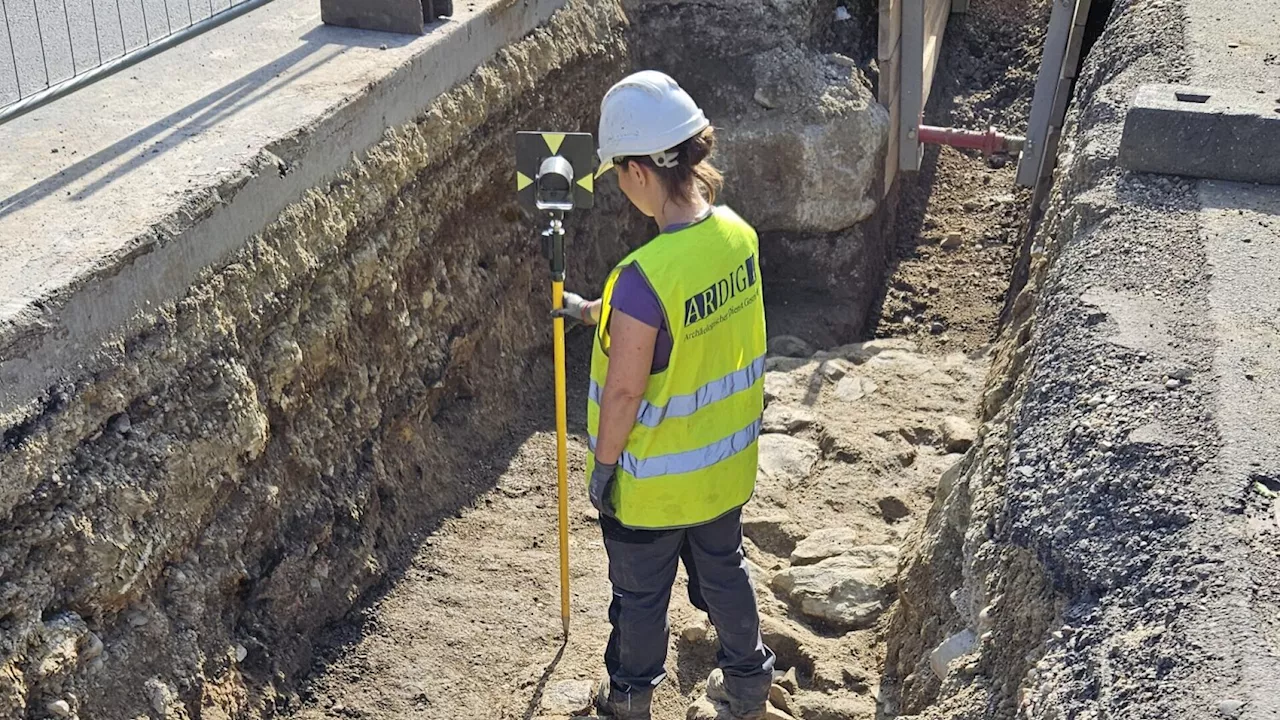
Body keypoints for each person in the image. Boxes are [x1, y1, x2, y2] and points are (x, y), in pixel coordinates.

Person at [552, 70, 776, 720]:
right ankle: (750, 681)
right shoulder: (738, 237)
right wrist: (601, 311)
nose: (620, 187)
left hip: (649, 490)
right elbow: (690, 327)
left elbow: (624, 393)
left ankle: (628, 698)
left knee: (641, 601)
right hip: (722, 473)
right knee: (724, 574)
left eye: (618, 174)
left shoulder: (641, 278)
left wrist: (601, 469)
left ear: (641, 173)